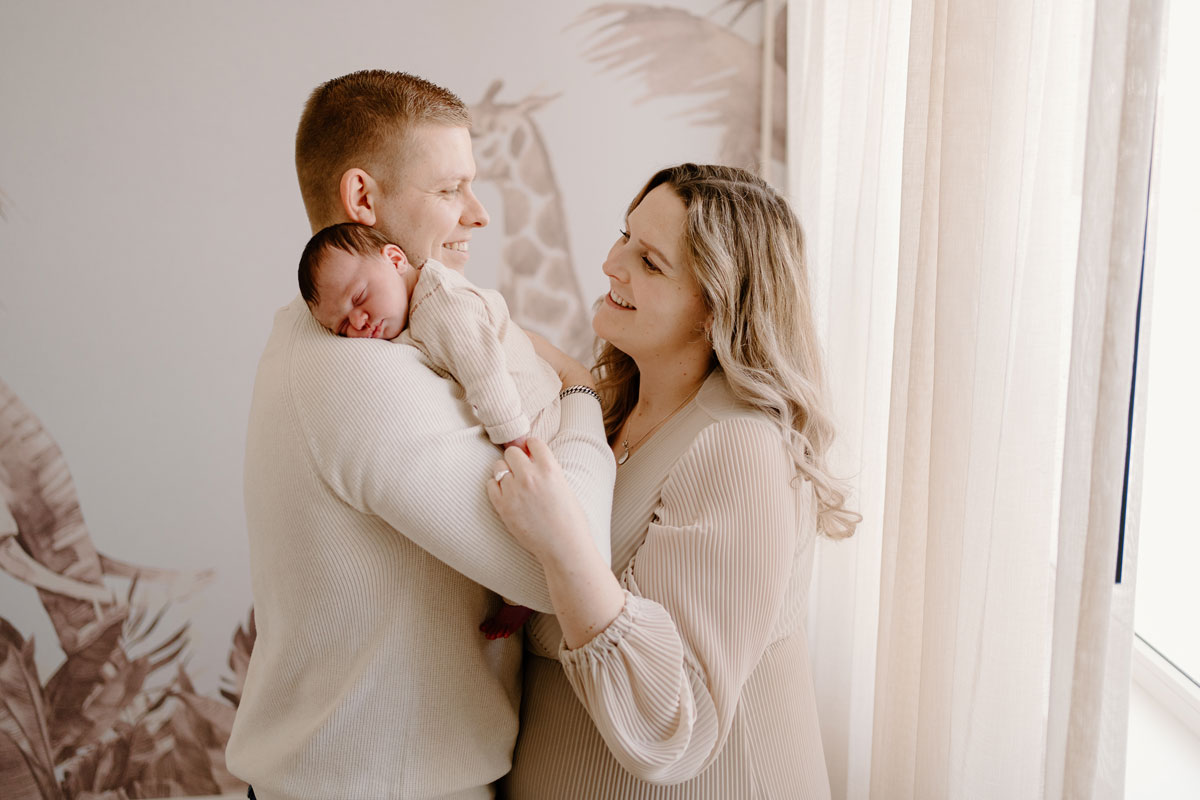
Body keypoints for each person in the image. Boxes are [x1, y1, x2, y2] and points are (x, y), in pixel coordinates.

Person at [225, 70, 615, 799]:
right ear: (364, 199)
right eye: (449, 189)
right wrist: (579, 393)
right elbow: (569, 567)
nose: (478, 215)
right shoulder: (358, 376)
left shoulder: (346, 344)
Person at [487, 163, 859, 798]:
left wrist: (560, 543)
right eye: (622, 236)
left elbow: (674, 727)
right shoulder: (605, 408)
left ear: (713, 307)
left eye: (649, 261)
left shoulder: (740, 447)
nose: (611, 263)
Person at [296, 220, 573, 637]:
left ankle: (521, 598)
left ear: (394, 259)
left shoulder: (439, 303)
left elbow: (485, 377)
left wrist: (517, 442)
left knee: (517, 504)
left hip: (534, 415)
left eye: (359, 297)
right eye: (341, 325)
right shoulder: (407, 318)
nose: (358, 321)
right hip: (519, 415)